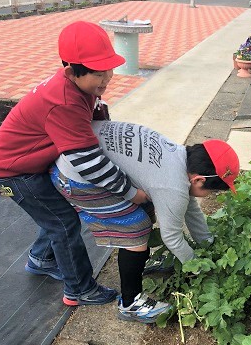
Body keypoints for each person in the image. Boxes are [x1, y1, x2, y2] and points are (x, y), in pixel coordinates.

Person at [0, 21, 148, 306]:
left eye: (109, 69)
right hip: (13, 174)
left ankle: (41, 258)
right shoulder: (64, 102)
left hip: (29, 163)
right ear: (71, 72)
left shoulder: (81, 88)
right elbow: (88, 162)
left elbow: (94, 126)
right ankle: (80, 289)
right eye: (98, 73)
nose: (107, 78)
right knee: (63, 223)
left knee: (55, 214)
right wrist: (131, 192)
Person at [50, 121, 240, 323]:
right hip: (76, 176)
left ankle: (140, 261)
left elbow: (190, 208)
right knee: (136, 227)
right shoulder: (173, 186)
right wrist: (200, 267)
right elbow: (172, 238)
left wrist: (208, 244)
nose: (209, 195)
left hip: (73, 155)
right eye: (212, 191)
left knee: (147, 207)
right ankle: (130, 304)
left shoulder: (179, 155)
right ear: (199, 180)